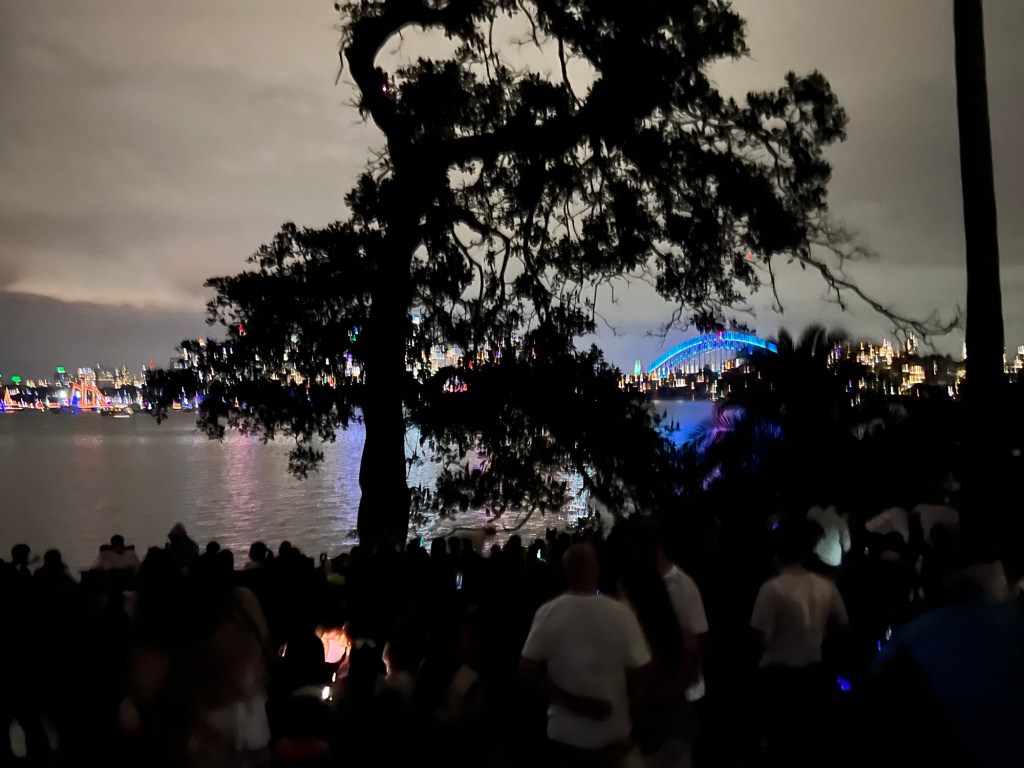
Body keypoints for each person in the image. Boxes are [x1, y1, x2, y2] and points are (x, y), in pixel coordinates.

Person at [521, 542, 651, 768]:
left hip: (564, 735)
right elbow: (643, 670)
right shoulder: (621, 613)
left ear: (565, 571)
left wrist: (571, 702)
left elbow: (526, 670)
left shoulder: (548, 612)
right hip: (612, 733)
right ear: (596, 569)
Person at [750, 522, 848, 768]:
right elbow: (843, 623)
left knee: (782, 744)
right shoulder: (826, 585)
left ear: (776, 554)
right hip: (815, 671)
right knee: (810, 742)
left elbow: (759, 637)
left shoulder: (772, 589)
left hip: (779, 676)